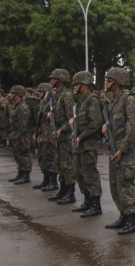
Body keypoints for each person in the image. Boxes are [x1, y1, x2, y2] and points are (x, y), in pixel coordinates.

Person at [103, 67, 135, 234]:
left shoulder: (128, 99)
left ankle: (132, 220)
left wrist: (123, 148)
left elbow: (133, 127)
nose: (106, 83)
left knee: (125, 185)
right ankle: (123, 216)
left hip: (124, 152)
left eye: (109, 80)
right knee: (114, 185)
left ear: (117, 83)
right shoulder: (112, 102)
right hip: (114, 150)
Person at [70, 71, 104, 217]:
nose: (74, 87)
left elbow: (96, 123)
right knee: (79, 173)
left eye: (77, 84)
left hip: (88, 144)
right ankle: (87, 200)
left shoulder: (92, 100)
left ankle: (95, 204)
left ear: (84, 84)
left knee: (90, 173)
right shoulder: (81, 101)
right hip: (80, 143)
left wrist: (82, 136)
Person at [47, 68, 77, 205]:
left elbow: (71, 118)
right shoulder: (56, 95)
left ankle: (70, 192)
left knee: (67, 164)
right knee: (60, 164)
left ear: (60, 80)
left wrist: (62, 129)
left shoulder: (66, 95)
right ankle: (63, 189)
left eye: (53, 78)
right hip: (58, 135)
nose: (51, 80)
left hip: (65, 136)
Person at [32, 83, 58, 191]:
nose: (38, 93)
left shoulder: (52, 103)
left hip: (49, 135)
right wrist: (36, 133)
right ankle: (46, 180)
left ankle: (53, 182)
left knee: (50, 158)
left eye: (40, 91)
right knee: (43, 158)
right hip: (42, 134)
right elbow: (39, 121)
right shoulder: (43, 103)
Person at [7, 85, 33, 184]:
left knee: (24, 154)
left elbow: (24, 123)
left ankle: (26, 175)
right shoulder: (15, 105)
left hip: (22, 135)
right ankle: (20, 172)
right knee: (17, 154)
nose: (10, 95)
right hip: (15, 134)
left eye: (12, 93)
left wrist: (22, 136)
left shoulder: (23, 106)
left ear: (18, 94)